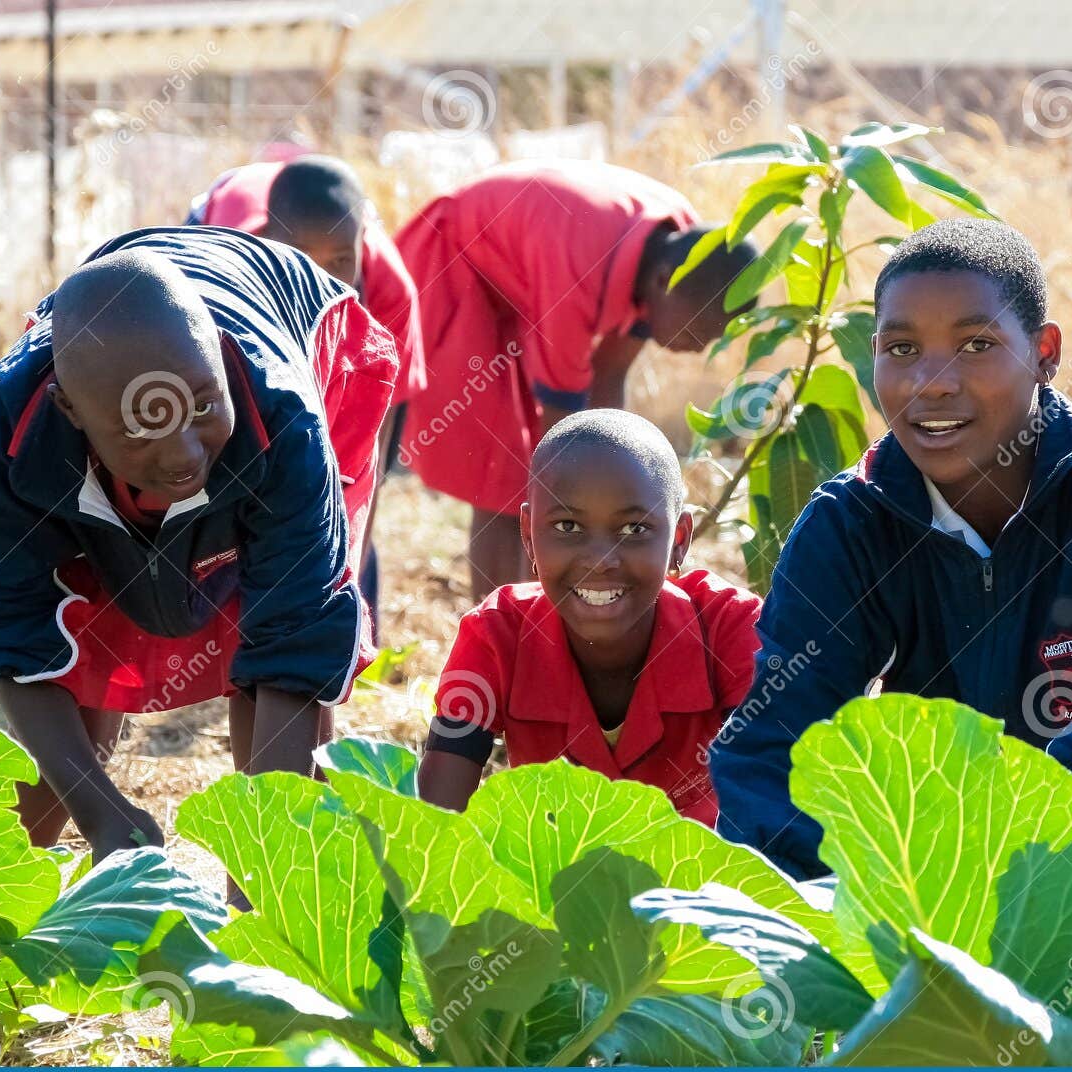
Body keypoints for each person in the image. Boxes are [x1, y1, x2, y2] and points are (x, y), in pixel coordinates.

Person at [709, 218, 1072, 880]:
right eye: (901, 349)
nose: (931, 382)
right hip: (949, 854)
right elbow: (768, 750)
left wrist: (1022, 845)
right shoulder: (849, 524)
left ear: (1045, 351)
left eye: (975, 344)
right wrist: (876, 876)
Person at [0, 227, 397, 863]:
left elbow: (296, 631)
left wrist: (262, 892)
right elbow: (13, 630)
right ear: (69, 412)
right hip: (103, 422)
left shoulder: (284, 415)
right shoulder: (10, 434)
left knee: (274, 635)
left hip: (314, 342)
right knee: (80, 643)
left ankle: (275, 873)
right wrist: (102, 814)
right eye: (140, 432)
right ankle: (15, 876)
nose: (185, 456)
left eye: (203, 406)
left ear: (217, 353)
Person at [393, 160, 758, 600]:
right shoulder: (578, 269)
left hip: (518, 271)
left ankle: (538, 623)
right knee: (506, 482)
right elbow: (560, 435)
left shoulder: (678, 245)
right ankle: (498, 637)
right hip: (454, 260)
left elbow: (610, 378)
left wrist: (625, 489)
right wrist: (591, 523)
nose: (700, 349)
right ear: (664, 282)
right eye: (701, 330)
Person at [418, 410, 761, 823]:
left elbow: (772, 807)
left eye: (634, 529)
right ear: (527, 534)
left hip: (703, 884)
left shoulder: (732, 629)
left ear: (680, 540)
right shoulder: (495, 635)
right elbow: (434, 824)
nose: (600, 561)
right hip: (551, 883)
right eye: (567, 525)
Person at [187, 155, 426, 630]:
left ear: (362, 247)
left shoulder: (390, 291)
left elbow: (370, 463)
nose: (320, 280)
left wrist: (346, 570)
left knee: (345, 505)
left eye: (339, 262)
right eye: (302, 256)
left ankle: (351, 638)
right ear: (272, 242)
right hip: (220, 217)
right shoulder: (229, 268)